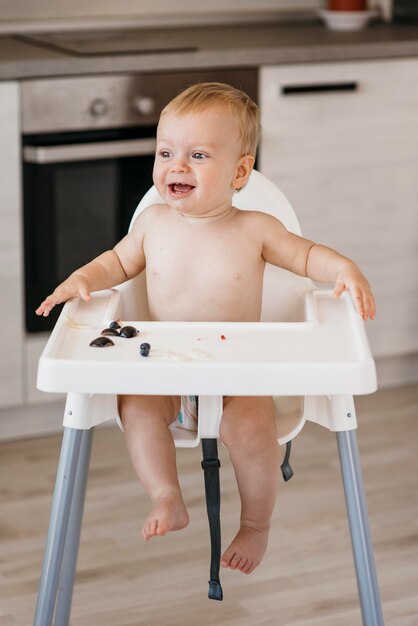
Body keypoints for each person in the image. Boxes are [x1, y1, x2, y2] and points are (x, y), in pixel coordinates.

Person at [36, 82, 375, 576]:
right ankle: (166, 495)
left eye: (197, 155)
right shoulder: (152, 222)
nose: (176, 166)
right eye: (166, 152)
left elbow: (305, 256)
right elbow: (115, 262)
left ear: (240, 171)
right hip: (167, 369)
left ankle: (256, 524)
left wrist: (345, 269)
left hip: (240, 373)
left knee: (252, 430)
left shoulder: (255, 228)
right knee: (138, 407)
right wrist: (81, 279)